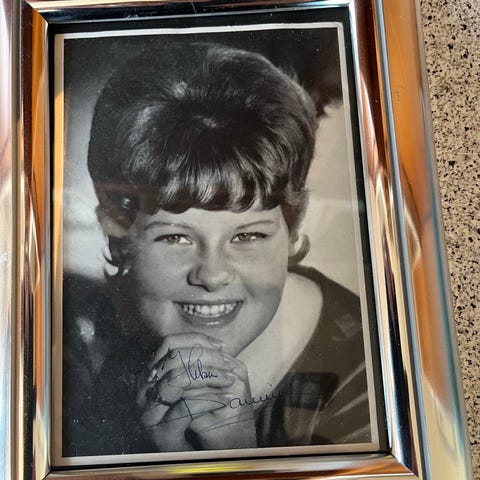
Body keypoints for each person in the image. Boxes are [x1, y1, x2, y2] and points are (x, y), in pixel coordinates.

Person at [62, 41, 370, 457]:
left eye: (248, 236)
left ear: (292, 231)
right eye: (175, 237)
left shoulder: (374, 377)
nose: (211, 275)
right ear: (117, 236)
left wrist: (237, 459)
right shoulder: (73, 351)